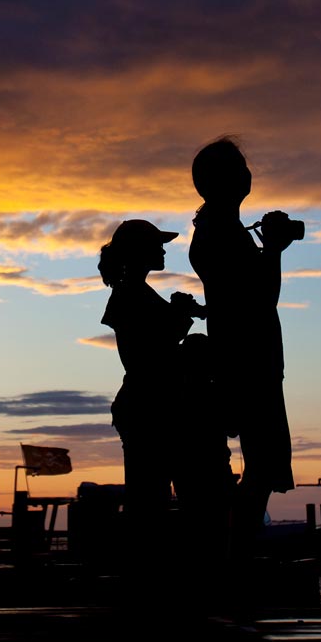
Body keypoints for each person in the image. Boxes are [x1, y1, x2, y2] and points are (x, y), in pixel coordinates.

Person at [188, 138, 298, 557]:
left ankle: (236, 556)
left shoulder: (220, 229)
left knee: (261, 463)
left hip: (246, 356)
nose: (249, 174)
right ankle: (238, 558)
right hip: (249, 360)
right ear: (227, 180)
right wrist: (273, 249)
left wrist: (268, 247)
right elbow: (260, 296)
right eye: (241, 167)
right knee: (262, 463)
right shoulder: (221, 234)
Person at [99, 220, 214, 576]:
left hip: (152, 407)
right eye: (157, 245)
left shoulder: (137, 292)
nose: (164, 251)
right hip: (149, 409)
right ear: (139, 253)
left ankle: (154, 576)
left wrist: (180, 314)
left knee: (155, 499)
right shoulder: (128, 294)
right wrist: (181, 317)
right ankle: (150, 578)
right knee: (152, 502)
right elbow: (149, 353)